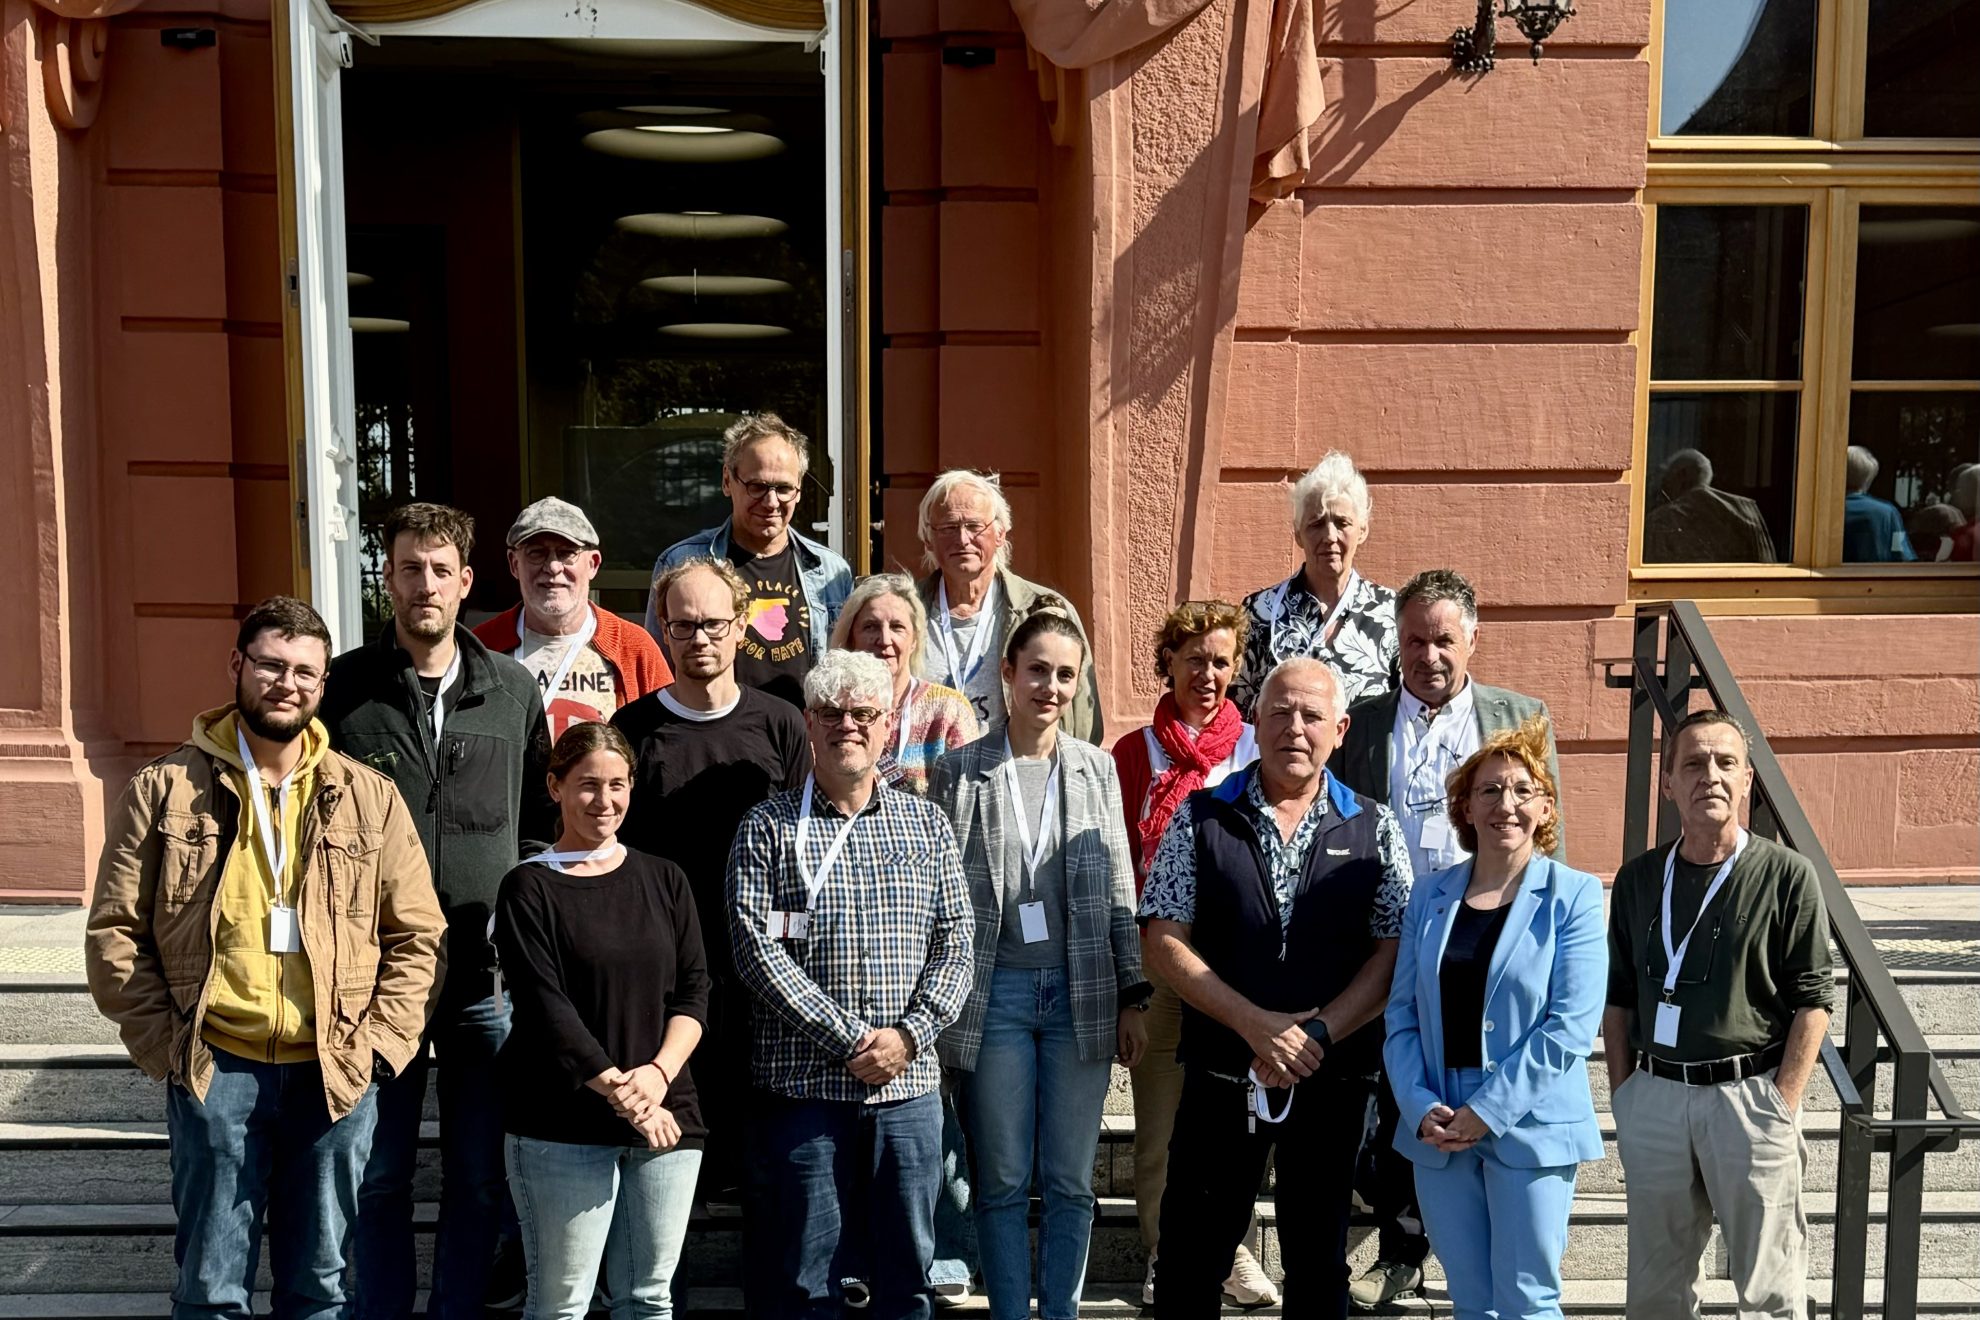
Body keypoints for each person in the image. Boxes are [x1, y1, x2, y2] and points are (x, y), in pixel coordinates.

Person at [84, 596, 446, 1317]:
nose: (287, 684)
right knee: (211, 1289)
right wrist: (168, 1047)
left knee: (321, 1288)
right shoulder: (164, 789)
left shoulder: (366, 796)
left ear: (323, 685)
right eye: (271, 666)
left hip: (333, 1070)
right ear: (237, 667)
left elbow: (418, 934)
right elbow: (114, 931)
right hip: (218, 1068)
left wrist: (377, 1048)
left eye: (305, 672)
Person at [320, 502, 554, 1320]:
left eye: (440, 569)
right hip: (370, 981)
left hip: (482, 984)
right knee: (376, 1175)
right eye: (409, 568)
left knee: (479, 1178)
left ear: (467, 582)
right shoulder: (342, 691)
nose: (426, 584)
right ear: (389, 579)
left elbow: (536, 830)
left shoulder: (514, 691)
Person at [1140, 658, 1413, 1319]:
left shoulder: (1376, 827)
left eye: (1312, 715)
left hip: (1333, 1079)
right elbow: (1162, 940)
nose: (1296, 727)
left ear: (1340, 729)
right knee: (1189, 1260)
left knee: (1319, 1266)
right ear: (1254, 723)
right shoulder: (1201, 816)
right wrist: (1253, 1023)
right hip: (1222, 1076)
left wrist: (1315, 1035)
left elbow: (1391, 952)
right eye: (1281, 712)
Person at [1329, 566, 1559, 1308]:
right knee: (1385, 1096)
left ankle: (1436, 1243)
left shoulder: (1518, 719)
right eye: (1414, 641)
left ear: (1473, 640)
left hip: (1477, 938)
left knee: (1467, 1082)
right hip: (1382, 938)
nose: (1428, 656)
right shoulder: (1359, 724)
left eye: (1444, 641)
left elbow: (1545, 835)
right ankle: (1401, 1231)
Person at [727, 649, 975, 1320]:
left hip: (908, 1092)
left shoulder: (926, 825)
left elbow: (956, 946)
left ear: (887, 725)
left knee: (907, 1279)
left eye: (864, 714)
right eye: (831, 713)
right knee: (808, 1285)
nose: (848, 727)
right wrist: (852, 1040)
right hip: (804, 1090)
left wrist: (907, 1036)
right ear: (809, 724)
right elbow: (756, 953)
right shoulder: (767, 829)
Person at [929, 604, 1149, 1320]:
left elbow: (1120, 882)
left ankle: (1059, 1311)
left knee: (1069, 1180)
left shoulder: (1094, 769)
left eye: (1064, 675)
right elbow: (945, 893)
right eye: (1036, 672)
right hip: (994, 995)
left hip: (1078, 993)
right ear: (1008, 675)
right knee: (999, 1177)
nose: (1049, 687)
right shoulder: (962, 771)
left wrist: (1133, 993)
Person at [1603, 711, 1834, 1320]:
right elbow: (1619, 995)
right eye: (1694, 763)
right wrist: (1625, 1095)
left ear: (1748, 779)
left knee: (1769, 1288)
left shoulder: (1787, 875)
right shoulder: (1637, 879)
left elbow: (1814, 999)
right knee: (1656, 1289)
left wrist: (1783, 1101)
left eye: (1726, 762)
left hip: (1749, 1098)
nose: (1711, 775)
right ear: (1668, 782)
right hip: (1656, 1097)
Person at [1383, 717, 1606, 1320]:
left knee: (1528, 1300)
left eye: (1521, 790)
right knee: (1470, 1303)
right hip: (1438, 1124)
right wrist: (1416, 1100)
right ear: (1466, 806)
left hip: (1527, 1123)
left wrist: (1488, 1111)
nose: (1505, 804)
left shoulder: (1576, 895)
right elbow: (1401, 1015)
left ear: (1545, 805)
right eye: (1489, 790)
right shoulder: (1429, 896)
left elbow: (1570, 1026)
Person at [493, 722, 710, 1320]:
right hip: (561, 1122)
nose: (605, 801)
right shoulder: (528, 887)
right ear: (554, 786)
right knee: (562, 1305)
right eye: (588, 785)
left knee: (649, 1300)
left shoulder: (665, 879)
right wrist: (628, 1095)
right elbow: (544, 1009)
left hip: (667, 1120)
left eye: (618, 785)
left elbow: (694, 993)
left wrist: (659, 1079)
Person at [611, 556, 810, 1202]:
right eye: (684, 626)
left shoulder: (780, 724)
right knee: (671, 1160)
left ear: (742, 628)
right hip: (667, 976)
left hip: (763, 972)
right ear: (663, 631)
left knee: (760, 1164)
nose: (700, 638)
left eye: (714, 625)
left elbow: (810, 846)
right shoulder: (634, 730)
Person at [1108, 601, 1274, 1309]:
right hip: (1158, 953)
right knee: (1162, 1119)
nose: (1207, 674)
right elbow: (1118, 868)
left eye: (1220, 661)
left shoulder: (1257, 749)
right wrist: (1127, 985)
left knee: (1234, 1116)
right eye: (1193, 659)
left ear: (1237, 671)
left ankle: (1225, 1248)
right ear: (1167, 663)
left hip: (1236, 961)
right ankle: (1162, 1248)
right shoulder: (1132, 753)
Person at [643, 413, 853, 708]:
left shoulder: (830, 571)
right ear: (728, 481)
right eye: (757, 486)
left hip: (801, 745)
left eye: (783, 488)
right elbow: (658, 669)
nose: (770, 502)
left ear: (799, 490)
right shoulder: (682, 563)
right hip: (711, 736)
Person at [913, 469, 1104, 742]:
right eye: (948, 527)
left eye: (974, 526)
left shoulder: (1042, 611)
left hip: (1016, 776)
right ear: (928, 539)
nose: (963, 539)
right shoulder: (904, 614)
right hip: (924, 779)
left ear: (1000, 533)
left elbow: (1085, 718)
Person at [473, 496, 673, 738]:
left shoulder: (634, 648)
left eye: (567, 553)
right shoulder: (479, 648)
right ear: (514, 564)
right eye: (537, 553)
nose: (553, 567)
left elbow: (666, 741)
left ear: (593, 564)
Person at [1229, 451, 1398, 722]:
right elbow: (1237, 715)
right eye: (1316, 524)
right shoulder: (1260, 611)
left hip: (1362, 764)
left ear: (1362, 530)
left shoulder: (1392, 612)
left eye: (1342, 523)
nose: (1329, 536)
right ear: (1298, 533)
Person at [831, 572, 980, 796]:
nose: (884, 640)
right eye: (870, 626)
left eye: (897, 627)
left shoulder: (950, 711)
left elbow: (968, 804)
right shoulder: (829, 713)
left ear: (915, 640)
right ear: (851, 638)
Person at [1642, 448, 1778, 564]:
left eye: (1667, 478)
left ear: (1682, 475)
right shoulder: (1746, 512)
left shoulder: (1663, 518)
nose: (1663, 487)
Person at [1839, 446, 1917, 563]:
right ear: (1868, 478)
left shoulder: (1824, 511)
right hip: (1877, 578)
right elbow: (1902, 555)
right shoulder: (1888, 512)